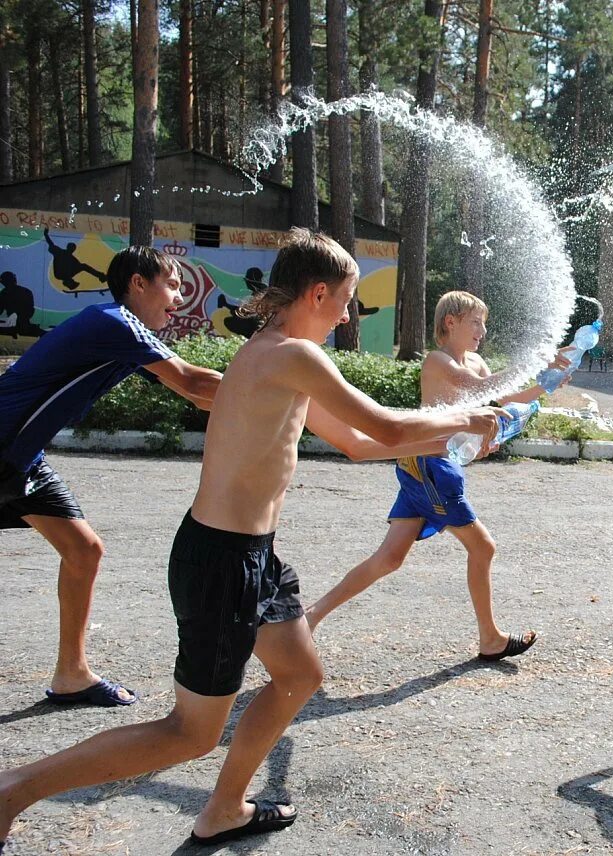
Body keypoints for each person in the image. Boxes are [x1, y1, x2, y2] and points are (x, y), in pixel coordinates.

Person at [0, 229, 502, 849]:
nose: (347, 315)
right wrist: (466, 419)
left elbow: (357, 445)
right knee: (189, 732)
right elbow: (384, 425)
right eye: (344, 301)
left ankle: (224, 809)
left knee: (298, 675)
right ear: (317, 293)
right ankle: (13, 789)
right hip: (220, 560)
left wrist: (451, 439)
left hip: (252, 556)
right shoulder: (292, 355)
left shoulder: (278, 354)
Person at [0, 246, 222, 708]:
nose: (179, 297)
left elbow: (196, 395)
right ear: (138, 283)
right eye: (173, 284)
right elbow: (194, 382)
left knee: (83, 550)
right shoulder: (113, 323)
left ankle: (71, 675)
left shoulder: (124, 333)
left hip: (22, 458)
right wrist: (284, 383)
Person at [306, 290, 570, 661]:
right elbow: (481, 390)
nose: (482, 330)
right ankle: (490, 638)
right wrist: (535, 361)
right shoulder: (438, 362)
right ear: (451, 322)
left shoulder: (474, 361)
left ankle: (310, 617)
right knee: (483, 547)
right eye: (475, 322)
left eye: (484, 323)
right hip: (431, 466)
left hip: (427, 465)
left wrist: (552, 378)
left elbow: (506, 396)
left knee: (389, 558)